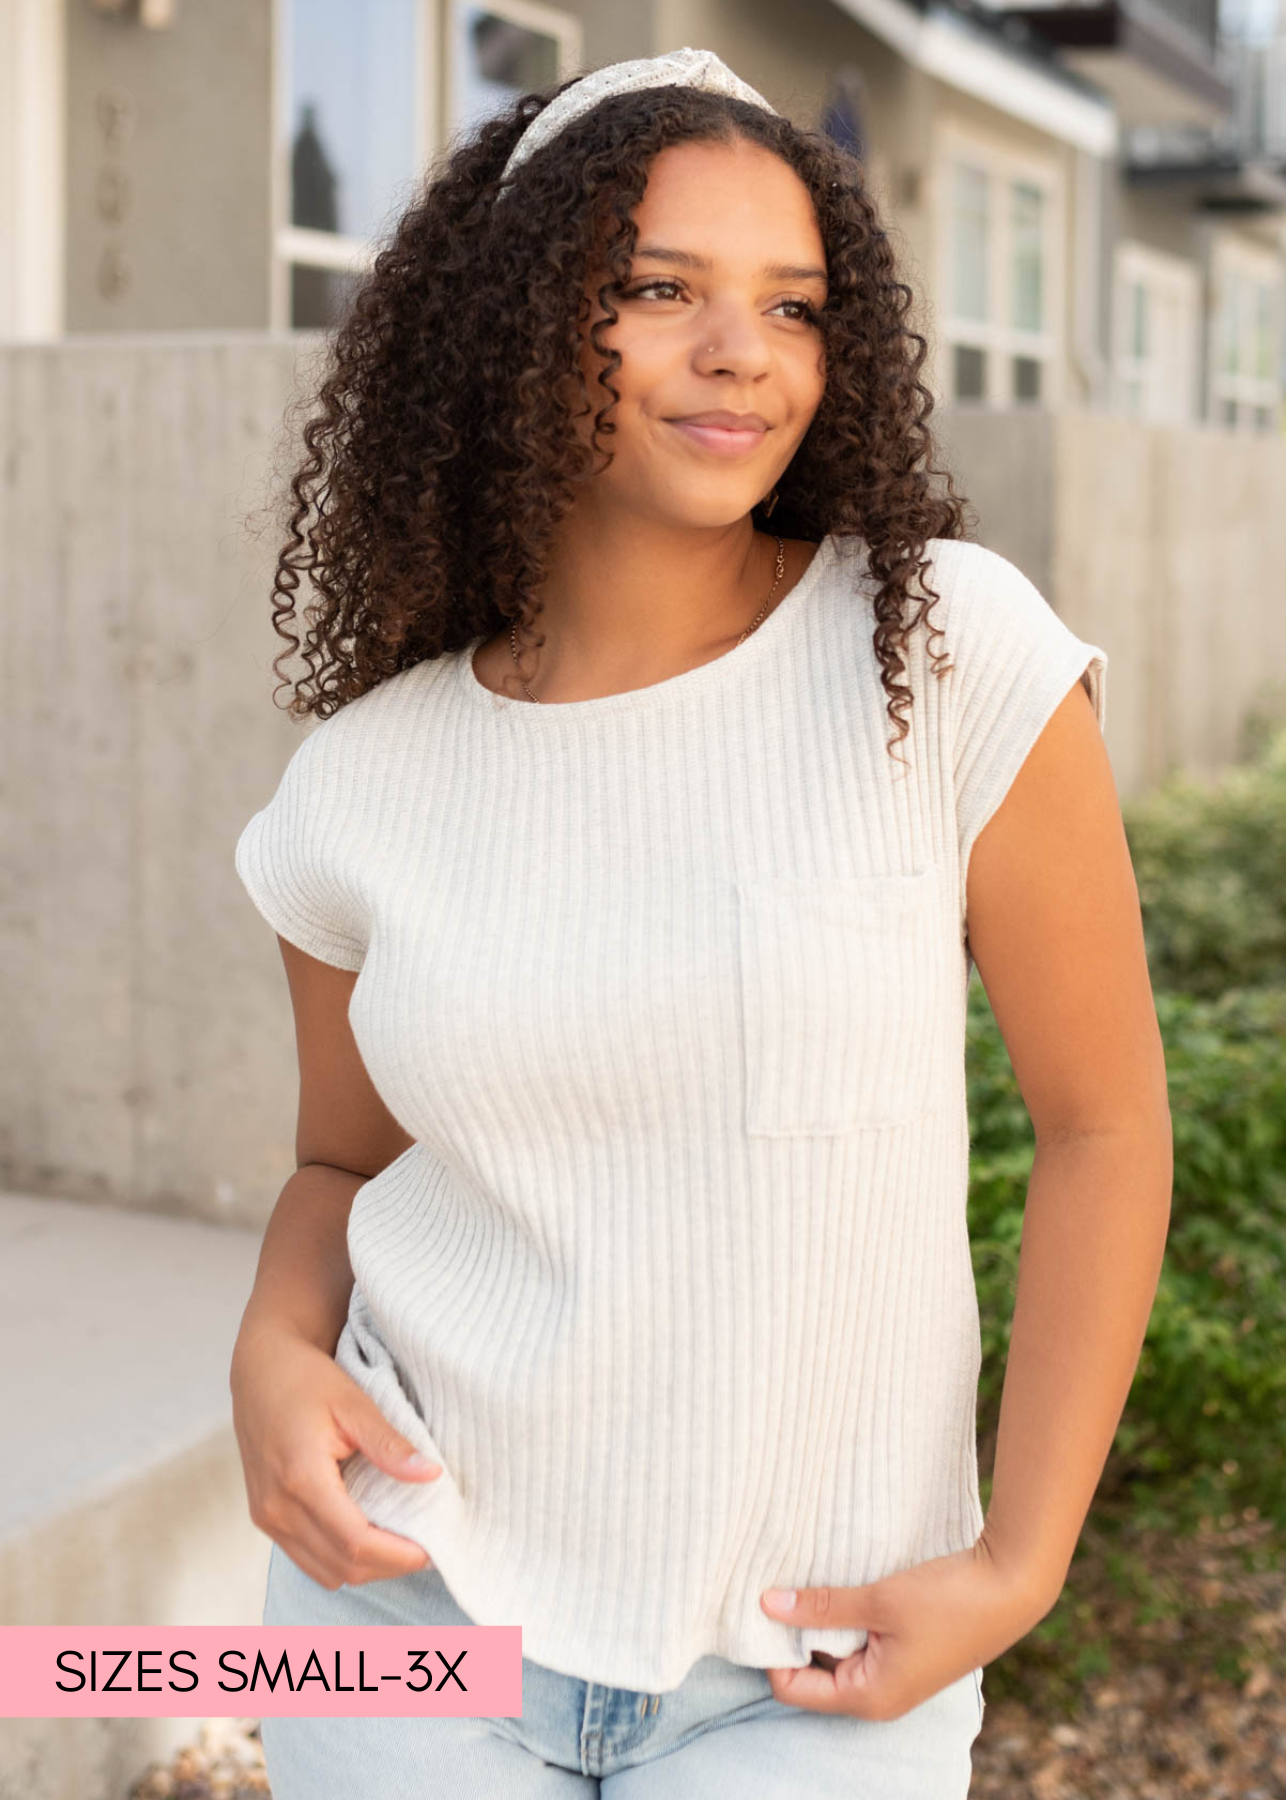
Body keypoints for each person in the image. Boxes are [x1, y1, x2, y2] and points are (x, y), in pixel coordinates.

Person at [229, 45, 1173, 1798]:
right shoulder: (364, 781)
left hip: (810, 1667)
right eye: (658, 289)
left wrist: (1018, 1563)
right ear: (511, 330)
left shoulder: (940, 656)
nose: (740, 350)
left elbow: (1104, 1128)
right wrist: (271, 1354)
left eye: (792, 305)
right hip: (399, 1621)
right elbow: (342, 1177)